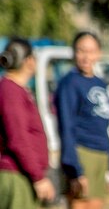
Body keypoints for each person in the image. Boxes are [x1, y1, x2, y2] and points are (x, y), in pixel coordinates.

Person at [55, 32, 109, 209]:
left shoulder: (100, 83)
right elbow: (66, 128)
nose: (86, 57)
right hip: (82, 154)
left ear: (99, 53)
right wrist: (75, 170)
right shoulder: (69, 83)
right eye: (81, 51)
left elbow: (104, 127)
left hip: (101, 156)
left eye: (91, 51)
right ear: (73, 53)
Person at [0, 38, 56, 208]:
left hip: (23, 174)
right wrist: (38, 177)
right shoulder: (10, 91)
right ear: (29, 61)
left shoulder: (16, 90)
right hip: (16, 175)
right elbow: (18, 139)